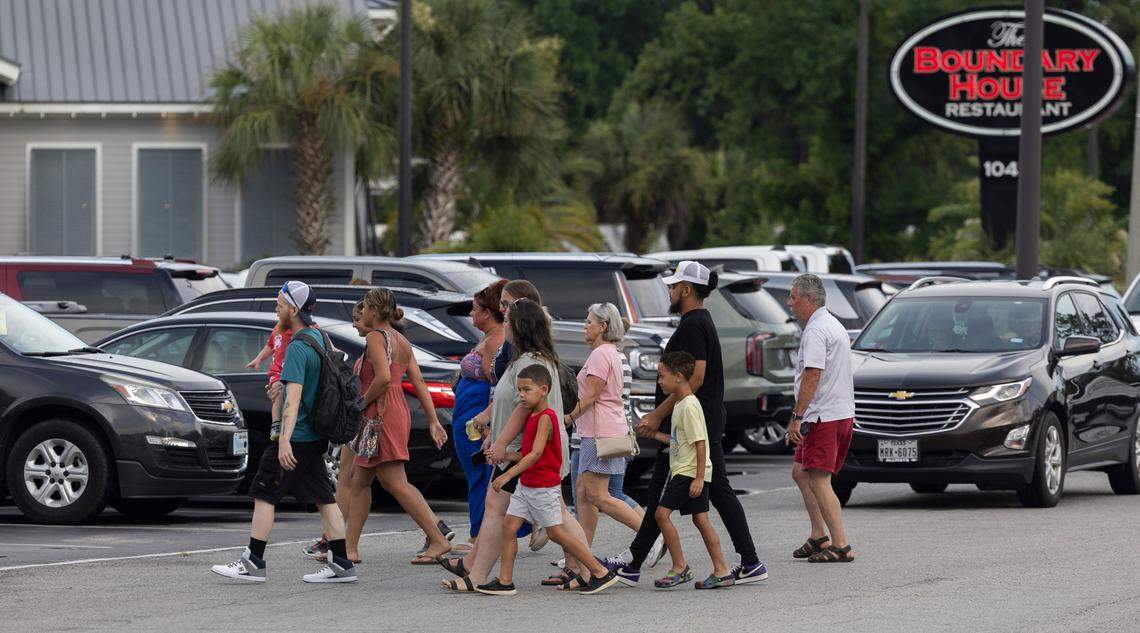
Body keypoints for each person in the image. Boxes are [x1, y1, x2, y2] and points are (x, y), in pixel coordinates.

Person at [608, 260, 767, 586]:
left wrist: (657, 414)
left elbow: (695, 377)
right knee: (693, 491)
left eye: (673, 285)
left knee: (683, 491)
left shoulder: (694, 326)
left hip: (695, 423)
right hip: (693, 421)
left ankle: (745, 561)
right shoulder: (696, 322)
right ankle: (637, 560)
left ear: (687, 289)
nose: (669, 290)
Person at [211, 281, 356, 583]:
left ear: (293, 309)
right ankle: (342, 565)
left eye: (279, 304)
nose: (276, 309)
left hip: (297, 435)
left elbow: (293, 398)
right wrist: (281, 387)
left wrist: (284, 439)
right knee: (324, 498)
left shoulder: (298, 347)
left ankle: (253, 563)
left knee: (265, 493)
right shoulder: (318, 337)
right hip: (315, 435)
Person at [441, 299, 589, 592]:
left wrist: (502, 443)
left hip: (526, 450)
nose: (504, 324)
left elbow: (524, 408)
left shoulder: (531, 362)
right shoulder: (526, 359)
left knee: (508, 509)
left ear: (519, 326)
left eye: (508, 320)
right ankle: (588, 570)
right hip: (524, 448)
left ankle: (480, 576)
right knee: (539, 512)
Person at [473, 364, 621, 596]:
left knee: (556, 534)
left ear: (544, 390)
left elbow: (536, 454)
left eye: (526, 390)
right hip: (527, 484)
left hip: (543, 486)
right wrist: (503, 455)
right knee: (508, 527)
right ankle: (505, 582)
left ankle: (599, 571)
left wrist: (508, 474)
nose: (521, 395)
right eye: (519, 390)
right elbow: (526, 452)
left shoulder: (546, 417)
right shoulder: (531, 416)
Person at [340, 287, 451, 564]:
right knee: (360, 481)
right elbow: (419, 382)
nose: (361, 313)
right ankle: (348, 549)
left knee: (395, 482)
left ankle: (437, 539)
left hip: (380, 412)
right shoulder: (401, 340)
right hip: (395, 411)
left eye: (364, 308)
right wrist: (434, 420)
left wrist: (361, 403)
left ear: (375, 311)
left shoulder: (377, 337)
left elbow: (382, 378)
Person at [785, 273, 856, 563]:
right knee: (800, 472)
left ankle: (841, 544)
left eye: (793, 297)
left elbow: (813, 374)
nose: (790, 304)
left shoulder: (816, 330)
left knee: (819, 480)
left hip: (822, 416)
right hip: (837, 413)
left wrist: (797, 417)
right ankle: (818, 535)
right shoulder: (831, 323)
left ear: (808, 298)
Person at [563, 303, 648, 546]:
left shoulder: (601, 354)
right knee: (587, 492)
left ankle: (648, 537)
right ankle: (582, 554)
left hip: (598, 433)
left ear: (603, 326)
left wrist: (568, 418)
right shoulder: (612, 353)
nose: (585, 326)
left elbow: (591, 396)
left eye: (589, 322)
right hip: (607, 430)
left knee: (599, 495)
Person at [649, 351, 733, 589]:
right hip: (689, 470)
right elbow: (679, 441)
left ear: (677, 376)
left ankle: (679, 567)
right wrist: (654, 434)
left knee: (661, 515)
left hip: (689, 472)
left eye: (661, 376)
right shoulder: (682, 404)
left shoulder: (688, 406)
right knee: (701, 519)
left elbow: (700, 442)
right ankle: (722, 570)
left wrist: (698, 478)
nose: (659, 381)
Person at [451, 280, 508, 547]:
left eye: (475, 309)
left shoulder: (497, 339)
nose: (472, 314)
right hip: (468, 416)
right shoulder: (488, 338)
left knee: (481, 479)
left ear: (487, 312)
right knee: (478, 478)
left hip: (477, 421)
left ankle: (478, 537)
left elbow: (497, 384)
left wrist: (487, 422)